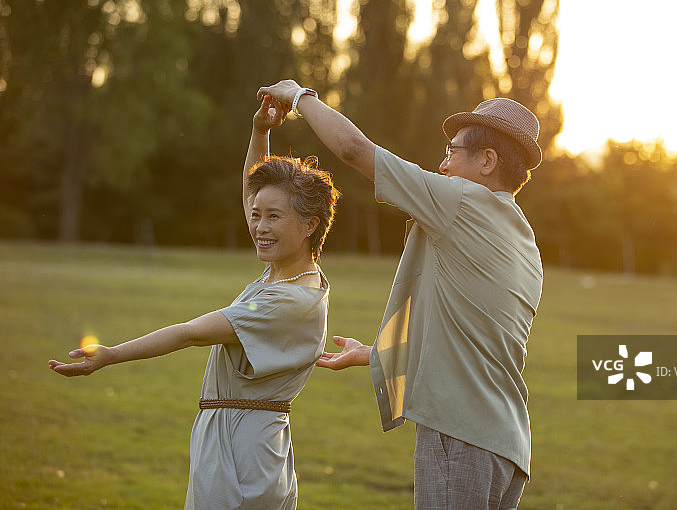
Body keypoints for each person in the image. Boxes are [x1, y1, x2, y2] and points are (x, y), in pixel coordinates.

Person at [258, 80, 544, 509]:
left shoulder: (462, 202)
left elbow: (355, 150)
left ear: (487, 161)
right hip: (507, 446)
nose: (443, 166)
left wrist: (299, 97)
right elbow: (474, 340)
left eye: (452, 152)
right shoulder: (525, 241)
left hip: (460, 434)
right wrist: (375, 353)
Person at [48, 94, 340, 510]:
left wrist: (110, 356)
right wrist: (260, 132)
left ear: (310, 224)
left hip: (242, 449)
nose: (258, 225)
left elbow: (189, 333)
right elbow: (252, 194)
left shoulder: (287, 299)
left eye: (273, 217)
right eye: (257, 215)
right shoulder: (287, 270)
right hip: (240, 436)